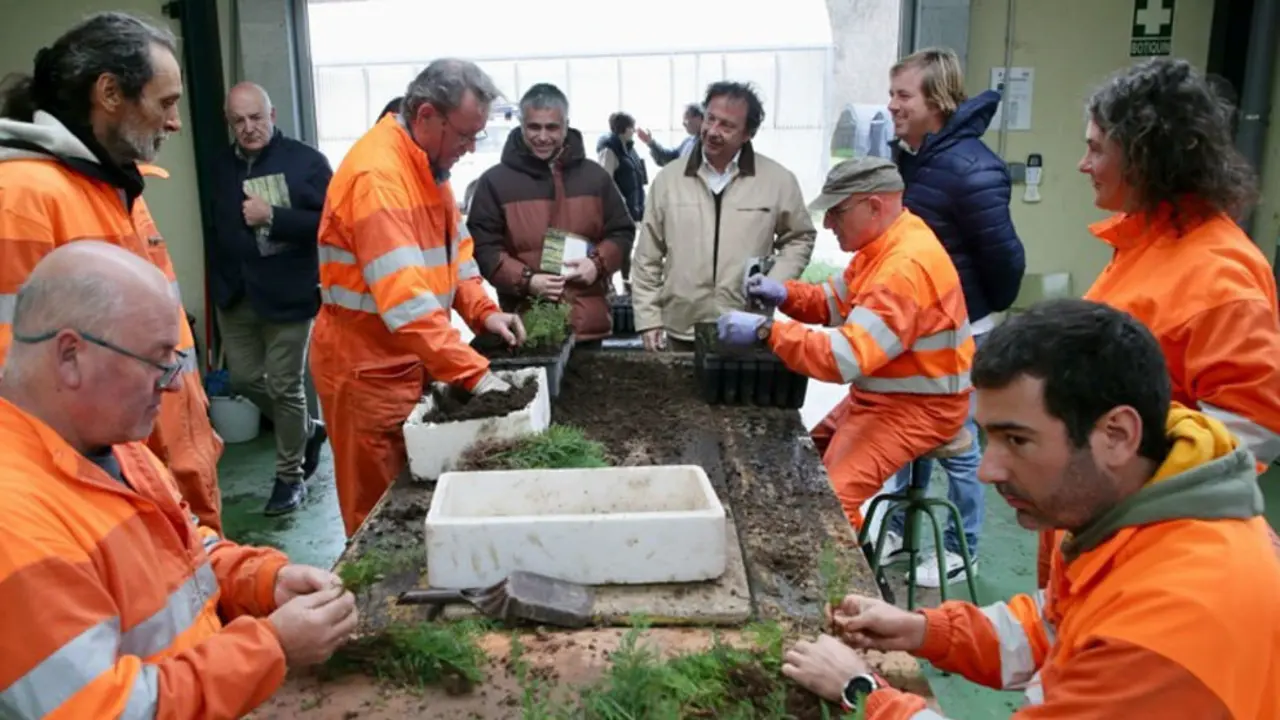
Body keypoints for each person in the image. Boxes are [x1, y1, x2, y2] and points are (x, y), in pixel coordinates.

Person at [780, 299, 1280, 718]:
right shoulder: (1130, 516)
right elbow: (1053, 628)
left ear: (1117, 434)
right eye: (990, 437)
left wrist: (864, 692)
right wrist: (923, 630)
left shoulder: (1170, 627)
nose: (987, 470)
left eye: (1017, 440)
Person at [0, 242, 359, 719]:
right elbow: (111, 711)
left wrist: (264, 582)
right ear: (71, 356)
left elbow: (185, 548)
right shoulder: (15, 523)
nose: (172, 384)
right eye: (158, 361)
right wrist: (272, 647)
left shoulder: (110, 442)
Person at [1028, 55, 1280, 586]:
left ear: (1146, 155)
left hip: (1145, 533)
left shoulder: (1219, 275)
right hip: (1099, 514)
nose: (1083, 164)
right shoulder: (1148, 243)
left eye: (1097, 148)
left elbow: (1250, 432)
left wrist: (1121, 483)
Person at [0, 11, 225, 533]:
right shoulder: (22, 197)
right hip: (112, 496)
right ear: (108, 93)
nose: (175, 121)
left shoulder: (113, 189)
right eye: (165, 102)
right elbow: (18, 388)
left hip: (168, 478)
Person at [311, 59, 525, 538]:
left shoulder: (430, 167)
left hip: (412, 361)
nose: (471, 148)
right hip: (368, 373)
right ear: (427, 115)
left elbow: (456, 255)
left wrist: (484, 312)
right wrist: (476, 375)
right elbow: (407, 304)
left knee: (419, 506)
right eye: (465, 135)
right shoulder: (377, 178)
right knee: (380, 521)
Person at [717, 157, 971, 531]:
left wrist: (766, 333)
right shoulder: (883, 247)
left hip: (921, 407)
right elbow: (833, 302)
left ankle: (845, 565)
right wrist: (784, 294)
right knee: (805, 461)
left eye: (837, 212)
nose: (828, 224)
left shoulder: (903, 269)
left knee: (831, 503)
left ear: (874, 206)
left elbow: (842, 359)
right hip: (882, 396)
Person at [879, 47, 1026, 586]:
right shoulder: (913, 158)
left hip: (959, 332)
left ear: (936, 100)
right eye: (892, 94)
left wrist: (973, 311)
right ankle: (899, 528)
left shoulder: (971, 168)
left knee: (957, 442)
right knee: (904, 431)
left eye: (903, 95)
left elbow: (1005, 259)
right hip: (915, 328)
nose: (892, 105)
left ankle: (962, 545)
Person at [211, 81, 332, 517]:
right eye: (238, 121)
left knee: (285, 386)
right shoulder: (220, 165)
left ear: (273, 115)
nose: (249, 128)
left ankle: (289, 477)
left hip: (289, 294)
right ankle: (308, 430)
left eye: (256, 118)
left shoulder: (307, 162)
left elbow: (332, 224)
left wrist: (274, 217)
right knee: (244, 380)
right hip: (236, 293)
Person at [631, 81, 816, 352]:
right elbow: (647, 256)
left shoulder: (777, 181)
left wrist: (774, 281)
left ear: (748, 134)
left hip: (746, 327)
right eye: (710, 119)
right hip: (681, 327)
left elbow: (800, 237)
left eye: (727, 126)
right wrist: (648, 319)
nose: (713, 131)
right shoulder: (669, 180)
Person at [468, 84, 634, 345]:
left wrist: (597, 264)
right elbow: (484, 247)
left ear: (566, 126)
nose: (543, 137)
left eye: (552, 128)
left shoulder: (595, 178)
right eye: (534, 127)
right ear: (522, 125)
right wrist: (527, 280)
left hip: (588, 327)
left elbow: (621, 231)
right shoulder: (494, 183)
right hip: (527, 329)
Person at [596, 111, 647, 293]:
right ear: (624, 129)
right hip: (617, 211)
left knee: (627, 248)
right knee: (614, 248)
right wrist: (620, 203)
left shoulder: (629, 149)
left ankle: (626, 285)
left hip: (631, 210)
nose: (633, 131)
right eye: (631, 127)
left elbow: (638, 179)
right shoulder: (609, 149)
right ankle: (609, 286)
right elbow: (606, 180)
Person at [636, 102, 703, 166]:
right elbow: (668, 158)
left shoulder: (706, 145)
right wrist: (650, 142)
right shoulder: (688, 141)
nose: (683, 124)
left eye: (686, 120)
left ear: (699, 118)